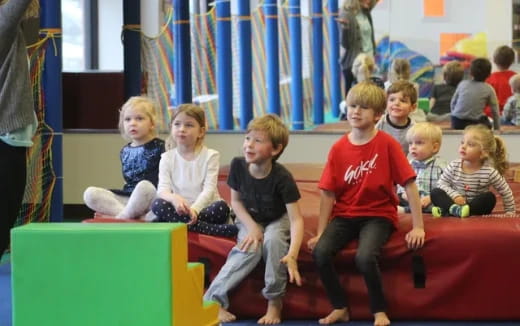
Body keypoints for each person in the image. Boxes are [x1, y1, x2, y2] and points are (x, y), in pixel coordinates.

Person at [308, 82, 425, 326]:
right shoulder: (339, 148)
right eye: (352, 106)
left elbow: (410, 185)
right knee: (320, 252)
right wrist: (320, 233)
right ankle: (340, 306)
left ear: (378, 115)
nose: (356, 112)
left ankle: (379, 310)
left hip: (378, 214)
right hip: (345, 214)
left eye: (363, 107)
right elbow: (328, 193)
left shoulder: (387, 144)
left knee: (364, 257)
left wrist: (418, 226)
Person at [204, 114, 304, 324]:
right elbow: (236, 203)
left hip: (278, 219)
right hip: (249, 218)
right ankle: (213, 301)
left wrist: (293, 254)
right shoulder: (239, 166)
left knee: (273, 242)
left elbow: (295, 219)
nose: (249, 145)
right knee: (250, 247)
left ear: (275, 149)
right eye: (248, 138)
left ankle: (274, 304)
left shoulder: (282, 178)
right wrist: (252, 228)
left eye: (258, 141)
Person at [151, 103, 237, 237]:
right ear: (171, 127)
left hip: (204, 209)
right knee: (157, 204)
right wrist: (174, 198)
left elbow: (209, 190)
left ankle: (176, 223)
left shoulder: (211, 156)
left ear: (201, 131)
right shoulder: (167, 157)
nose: (182, 129)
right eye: (177, 124)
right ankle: (207, 228)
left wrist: (195, 210)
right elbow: (162, 190)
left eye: (189, 125)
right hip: (179, 209)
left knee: (221, 207)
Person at [0, 0, 39, 261]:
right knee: (5, 211)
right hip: (6, 134)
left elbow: (28, 21)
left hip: (11, 135)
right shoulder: (3, 24)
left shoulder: (10, 29)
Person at [83, 96, 165, 220]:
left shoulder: (161, 147)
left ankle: (121, 218)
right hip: (128, 199)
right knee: (90, 193)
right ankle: (131, 216)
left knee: (144, 186)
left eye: (139, 118)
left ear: (152, 123)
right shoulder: (125, 151)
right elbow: (128, 181)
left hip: (151, 197)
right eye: (127, 119)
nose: (133, 123)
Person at [431, 124, 516, 218]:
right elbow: (441, 184)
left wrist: (510, 211)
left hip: (473, 206)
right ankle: (453, 209)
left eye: (470, 144)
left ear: (483, 152)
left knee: (489, 198)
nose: (463, 146)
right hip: (454, 203)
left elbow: (505, 191)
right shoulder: (454, 165)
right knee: (436, 192)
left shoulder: (489, 172)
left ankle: (455, 212)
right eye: (462, 142)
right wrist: (455, 196)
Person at [397, 122, 447, 214]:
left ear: (435, 147)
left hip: (430, 202)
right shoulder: (407, 165)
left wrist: (430, 198)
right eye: (410, 143)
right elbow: (401, 186)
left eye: (419, 143)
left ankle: (408, 210)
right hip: (410, 200)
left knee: (442, 199)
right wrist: (405, 195)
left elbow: (446, 187)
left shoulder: (441, 166)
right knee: (394, 196)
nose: (413, 147)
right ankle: (409, 209)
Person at [338, 0, 377, 97]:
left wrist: (372, 56)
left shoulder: (366, 12)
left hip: (368, 60)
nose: (369, 1)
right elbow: (345, 44)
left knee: (366, 94)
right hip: (353, 63)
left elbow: (370, 37)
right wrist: (345, 29)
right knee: (353, 95)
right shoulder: (346, 14)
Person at [450, 58, 500, 130]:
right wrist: (497, 129)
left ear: (470, 72)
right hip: (474, 123)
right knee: (487, 122)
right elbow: (495, 111)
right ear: (489, 74)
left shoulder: (462, 84)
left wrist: (454, 117)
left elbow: (453, 103)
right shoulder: (489, 89)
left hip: (457, 121)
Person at [376, 80, 418, 155]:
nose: (396, 103)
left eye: (403, 101)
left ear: (413, 107)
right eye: (392, 100)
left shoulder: (414, 129)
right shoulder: (380, 123)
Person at [340, 53, 384, 120]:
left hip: (361, 118)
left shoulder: (354, 85)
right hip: (377, 117)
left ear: (354, 69)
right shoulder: (378, 82)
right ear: (371, 68)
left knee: (342, 105)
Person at [486, 45, 516, 114]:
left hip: (493, 114)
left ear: (494, 60)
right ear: (512, 61)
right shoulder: (516, 78)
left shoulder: (489, 79)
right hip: (512, 115)